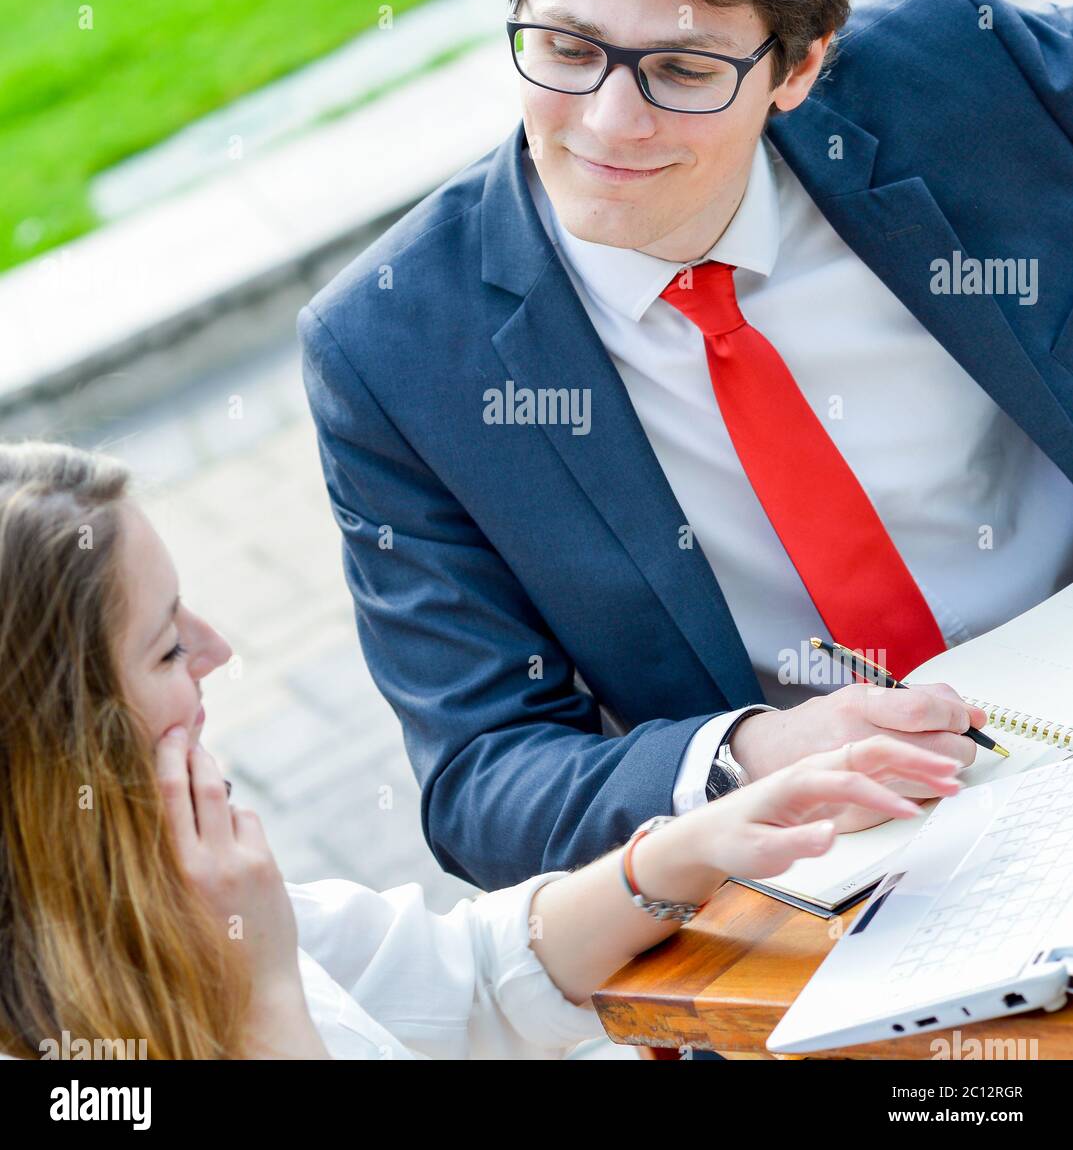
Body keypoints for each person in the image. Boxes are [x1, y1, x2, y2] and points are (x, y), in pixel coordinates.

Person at [297, 0, 1073, 896]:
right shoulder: (390, 350)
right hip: (822, 862)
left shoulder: (963, 67)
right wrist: (748, 756)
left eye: (679, 68)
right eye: (565, 49)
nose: (609, 122)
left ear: (800, 65)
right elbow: (477, 773)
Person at [0, 440, 960, 1060]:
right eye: (169, 645)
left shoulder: (175, 894)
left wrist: (682, 850)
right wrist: (262, 1008)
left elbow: (462, 982)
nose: (217, 653)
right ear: (58, 741)